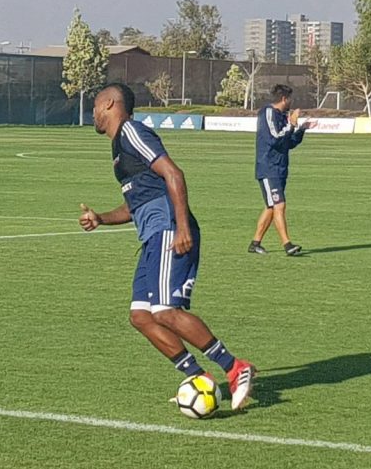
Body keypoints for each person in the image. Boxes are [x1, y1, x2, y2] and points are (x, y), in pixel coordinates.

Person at [79, 83, 255, 410]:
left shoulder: (131, 131)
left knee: (165, 312)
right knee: (141, 316)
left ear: (111, 104)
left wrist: (182, 226)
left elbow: (174, 173)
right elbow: (134, 206)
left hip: (167, 230)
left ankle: (234, 367)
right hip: (151, 236)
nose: (93, 113)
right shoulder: (118, 147)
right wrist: (101, 218)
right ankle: (198, 377)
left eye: (96, 106)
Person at [248, 84, 316, 256]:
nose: (292, 102)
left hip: (280, 168)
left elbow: (288, 143)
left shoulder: (282, 115)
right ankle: (287, 245)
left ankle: (255, 243)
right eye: (290, 98)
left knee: (271, 207)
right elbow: (274, 139)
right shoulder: (268, 113)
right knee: (279, 205)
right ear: (284, 99)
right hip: (268, 168)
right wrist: (291, 124)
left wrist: (301, 129)